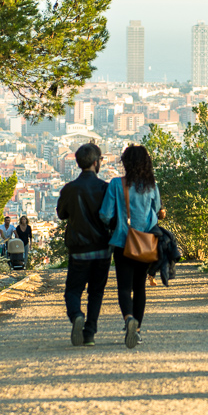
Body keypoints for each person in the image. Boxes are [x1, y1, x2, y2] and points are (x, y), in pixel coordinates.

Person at [100, 144, 163, 349]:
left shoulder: (116, 185)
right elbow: (157, 210)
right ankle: (137, 331)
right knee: (140, 287)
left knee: (124, 287)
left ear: (125, 163)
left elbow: (105, 215)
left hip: (122, 242)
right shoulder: (152, 186)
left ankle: (128, 319)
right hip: (145, 242)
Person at [56, 143, 112, 347]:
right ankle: (89, 333)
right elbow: (111, 218)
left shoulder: (69, 189)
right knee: (96, 292)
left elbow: (61, 214)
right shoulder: (105, 188)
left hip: (79, 250)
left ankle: (76, 315)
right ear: (96, 163)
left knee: (73, 290)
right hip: (102, 249)